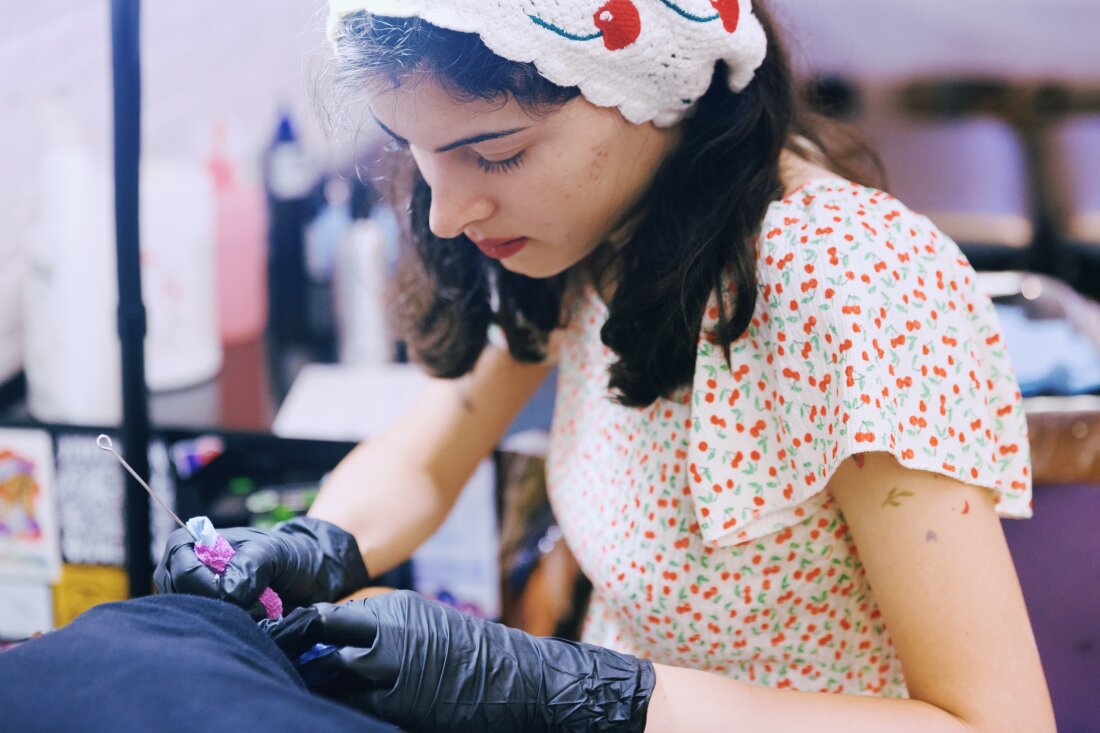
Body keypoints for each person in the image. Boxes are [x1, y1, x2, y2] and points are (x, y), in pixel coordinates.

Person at [157, 1, 1056, 731]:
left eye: (494, 152)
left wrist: (587, 694)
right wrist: (314, 542)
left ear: (652, 89)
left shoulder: (853, 277)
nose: (444, 212)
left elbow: (995, 722)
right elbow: (434, 451)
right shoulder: (587, 227)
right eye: (416, 152)